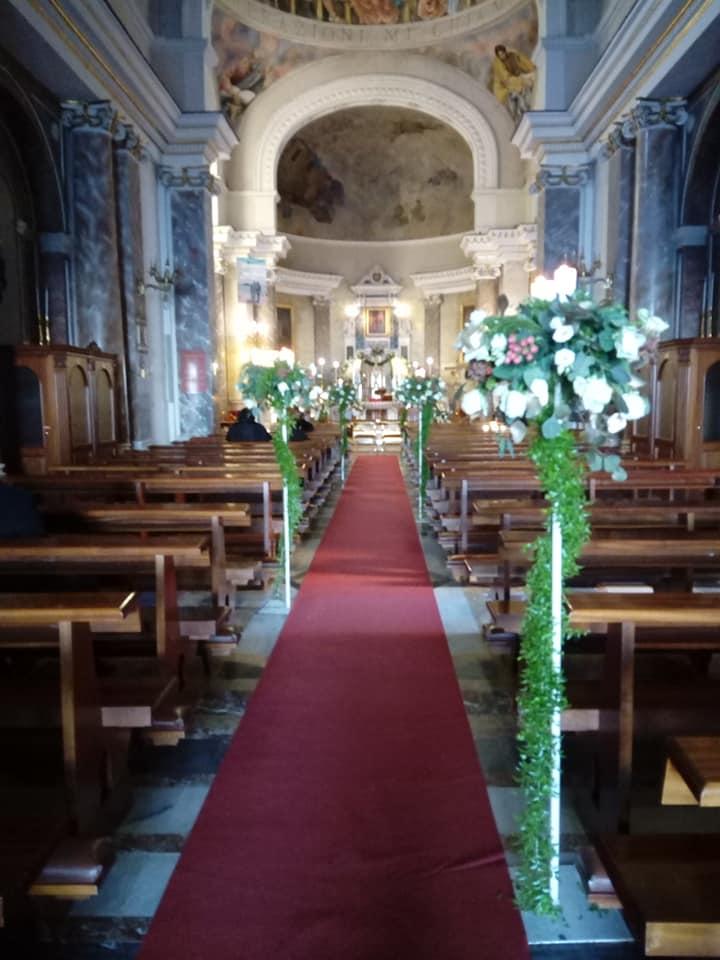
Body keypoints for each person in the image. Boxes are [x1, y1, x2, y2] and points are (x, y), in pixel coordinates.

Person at [491, 44, 536, 122]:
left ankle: (525, 108)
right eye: (500, 55)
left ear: (505, 52)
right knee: (517, 92)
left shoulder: (512, 56)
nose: (502, 56)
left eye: (503, 53)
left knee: (525, 88)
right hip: (503, 87)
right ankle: (519, 114)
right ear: (498, 56)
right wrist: (521, 80)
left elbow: (522, 62)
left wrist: (529, 70)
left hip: (514, 80)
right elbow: (506, 78)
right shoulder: (497, 64)